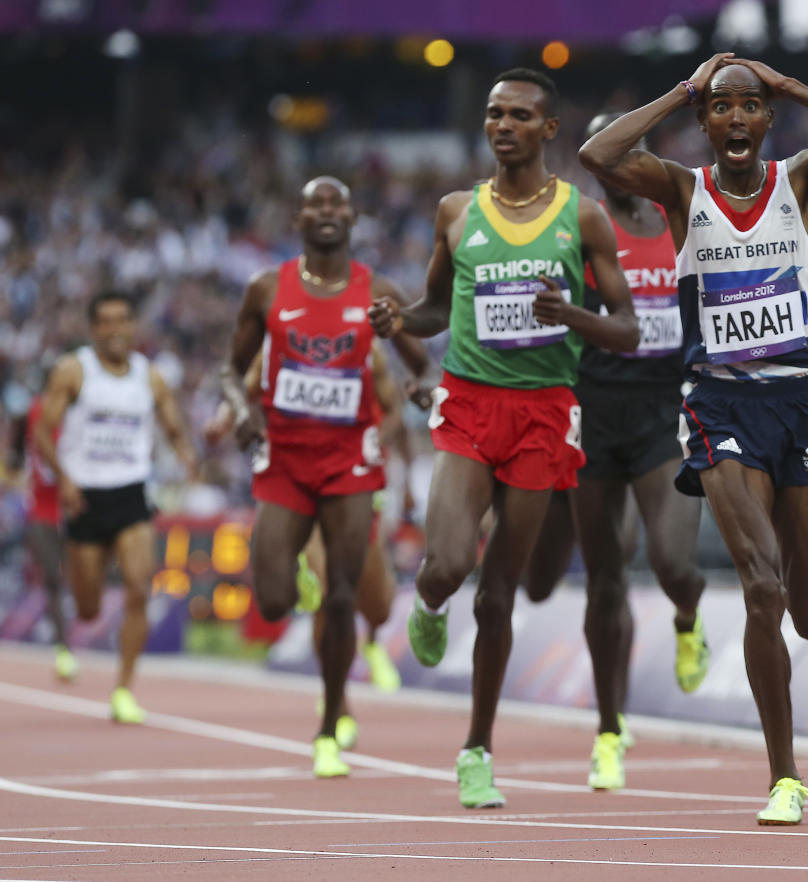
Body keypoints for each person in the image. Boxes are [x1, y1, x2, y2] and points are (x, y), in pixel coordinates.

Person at [580, 54, 808, 825]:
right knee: (762, 587)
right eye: (719, 109)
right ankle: (782, 777)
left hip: (799, 403)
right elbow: (599, 156)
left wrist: (788, 85)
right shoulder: (684, 192)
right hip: (717, 404)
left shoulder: (801, 181)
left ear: (764, 121)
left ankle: (790, 617)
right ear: (704, 123)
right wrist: (685, 88)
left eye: (747, 107)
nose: (733, 119)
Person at [369, 68, 639, 809]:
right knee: (447, 563)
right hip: (469, 402)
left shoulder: (583, 219)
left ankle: (476, 750)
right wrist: (400, 321)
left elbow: (626, 329)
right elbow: (430, 308)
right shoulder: (456, 211)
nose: (502, 125)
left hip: (545, 411)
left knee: (496, 595)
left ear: (549, 129)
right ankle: (425, 603)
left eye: (519, 114)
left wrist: (570, 316)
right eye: (494, 113)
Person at [521, 111, 711, 791]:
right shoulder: (580, 228)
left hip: (663, 407)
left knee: (671, 560)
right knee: (605, 576)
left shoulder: (678, 218)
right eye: (603, 154)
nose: (614, 163)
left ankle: (689, 616)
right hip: (593, 409)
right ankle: (608, 730)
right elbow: (546, 312)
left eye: (627, 148)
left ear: (643, 153)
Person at [222, 175, 423, 778]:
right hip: (284, 462)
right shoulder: (266, 289)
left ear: (354, 217)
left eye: (338, 203)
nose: (328, 211)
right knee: (277, 598)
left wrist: (429, 389)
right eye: (317, 203)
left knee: (341, 594)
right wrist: (243, 410)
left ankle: (330, 721)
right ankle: (325, 684)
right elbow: (233, 374)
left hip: (351, 464)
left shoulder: (377, 290)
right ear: (298, 218)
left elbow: (418, 363)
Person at [205, 336, 430, 748]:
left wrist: (382, 442)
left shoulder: (365, 347)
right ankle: (336, 703)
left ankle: (374, 641)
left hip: (356, 480)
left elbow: (394, 412)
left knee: (376, 603)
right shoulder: (278, 341)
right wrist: (227, 417)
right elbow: (245, 387)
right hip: (300, 480)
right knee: (330, 594)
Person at [34, 290, 198, 722]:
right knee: (87, 607)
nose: (115, 329)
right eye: (105, 321)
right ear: (93, 330)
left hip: (130, 493)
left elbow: (171, 421)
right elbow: (43, 433)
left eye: (122, 320)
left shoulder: (150, 375)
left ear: (132, 326)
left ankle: (123, 689)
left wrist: (184, 450)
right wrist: (65, 479)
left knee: (139, 589)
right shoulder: (75, 371)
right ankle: (87, 612)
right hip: (85, 496)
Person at [15, 388, 77, 681]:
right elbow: (21, 445)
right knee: (52, 579)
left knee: (81, 578)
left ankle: (83, 620)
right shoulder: (34, 410)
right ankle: (63, 649)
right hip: (41, 509)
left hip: (76, 508)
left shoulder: (80, 414)